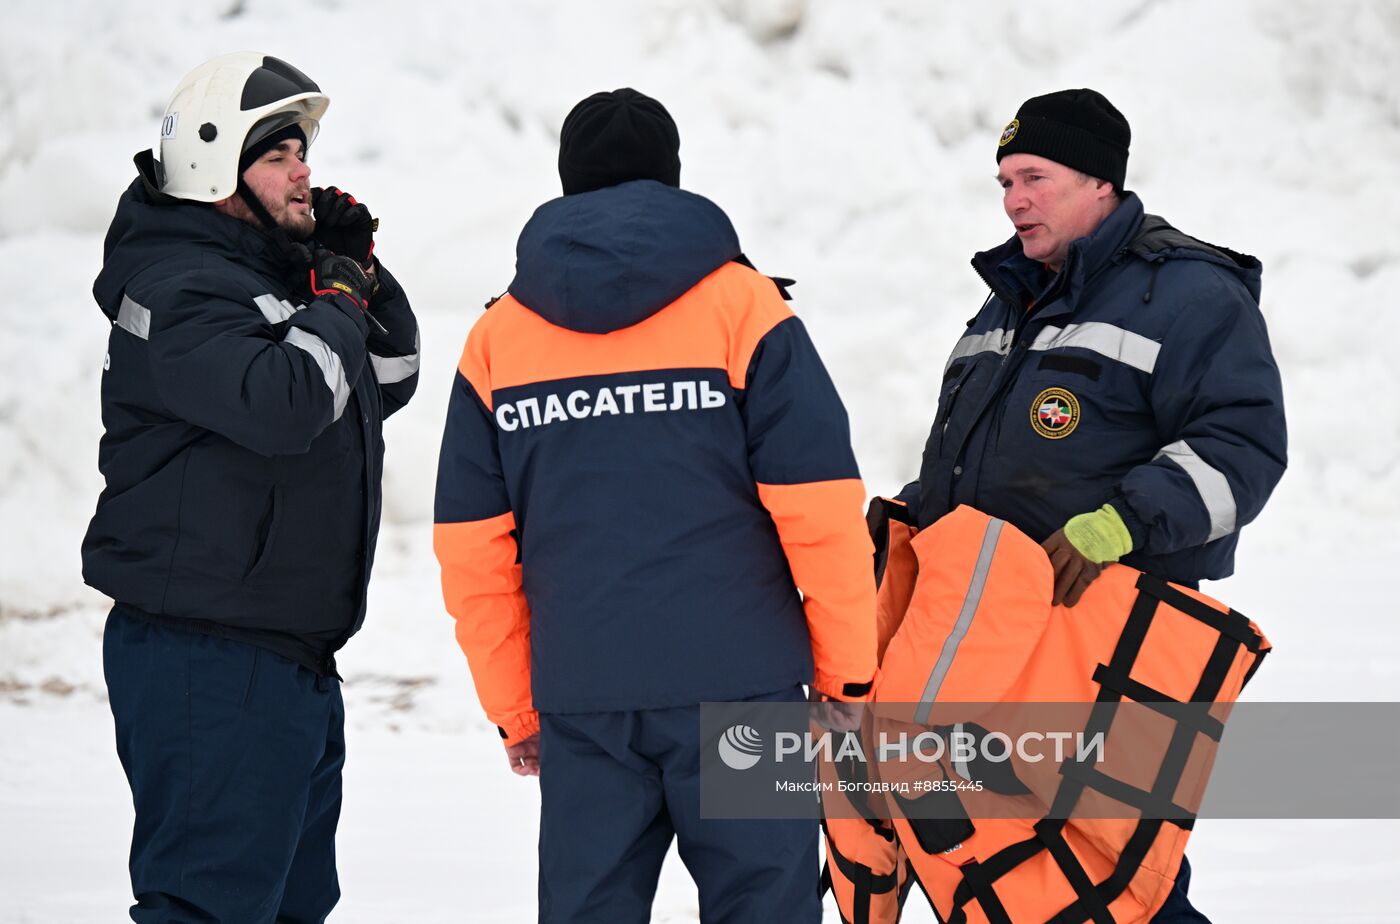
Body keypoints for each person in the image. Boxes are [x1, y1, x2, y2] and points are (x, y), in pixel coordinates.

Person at [433, 88, 877, 923]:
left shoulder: (499, 339)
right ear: (673, 181)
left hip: (586, 695)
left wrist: (513, 707)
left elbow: (473, 549)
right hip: (743, 686)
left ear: (566, 184)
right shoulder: (744, 307)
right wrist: (847, 670)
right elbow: (818, 511)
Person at [905, 88, 1287, 921]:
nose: (1013, 200)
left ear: (1099, 182)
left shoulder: (1188, 294)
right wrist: (912, 520)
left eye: (1033, 177)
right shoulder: (1006, 299)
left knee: (1115, 881)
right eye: (1004, 181)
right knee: (1015, 875)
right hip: (995, 637)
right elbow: (974, 462)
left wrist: (1122, 522)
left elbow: (1242, 446)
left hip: (1113, 636)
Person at [83, 52, 419, 922]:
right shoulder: (178, 288)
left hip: (288, 659)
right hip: (208, 657)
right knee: (210, 906)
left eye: (302, 150)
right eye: (278, 154)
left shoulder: (270, 280)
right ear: (212, 164)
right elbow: (285, 404)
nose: (305, 169)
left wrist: (354, 269)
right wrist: (335, 302)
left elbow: (388, 376)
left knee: (290, 906)